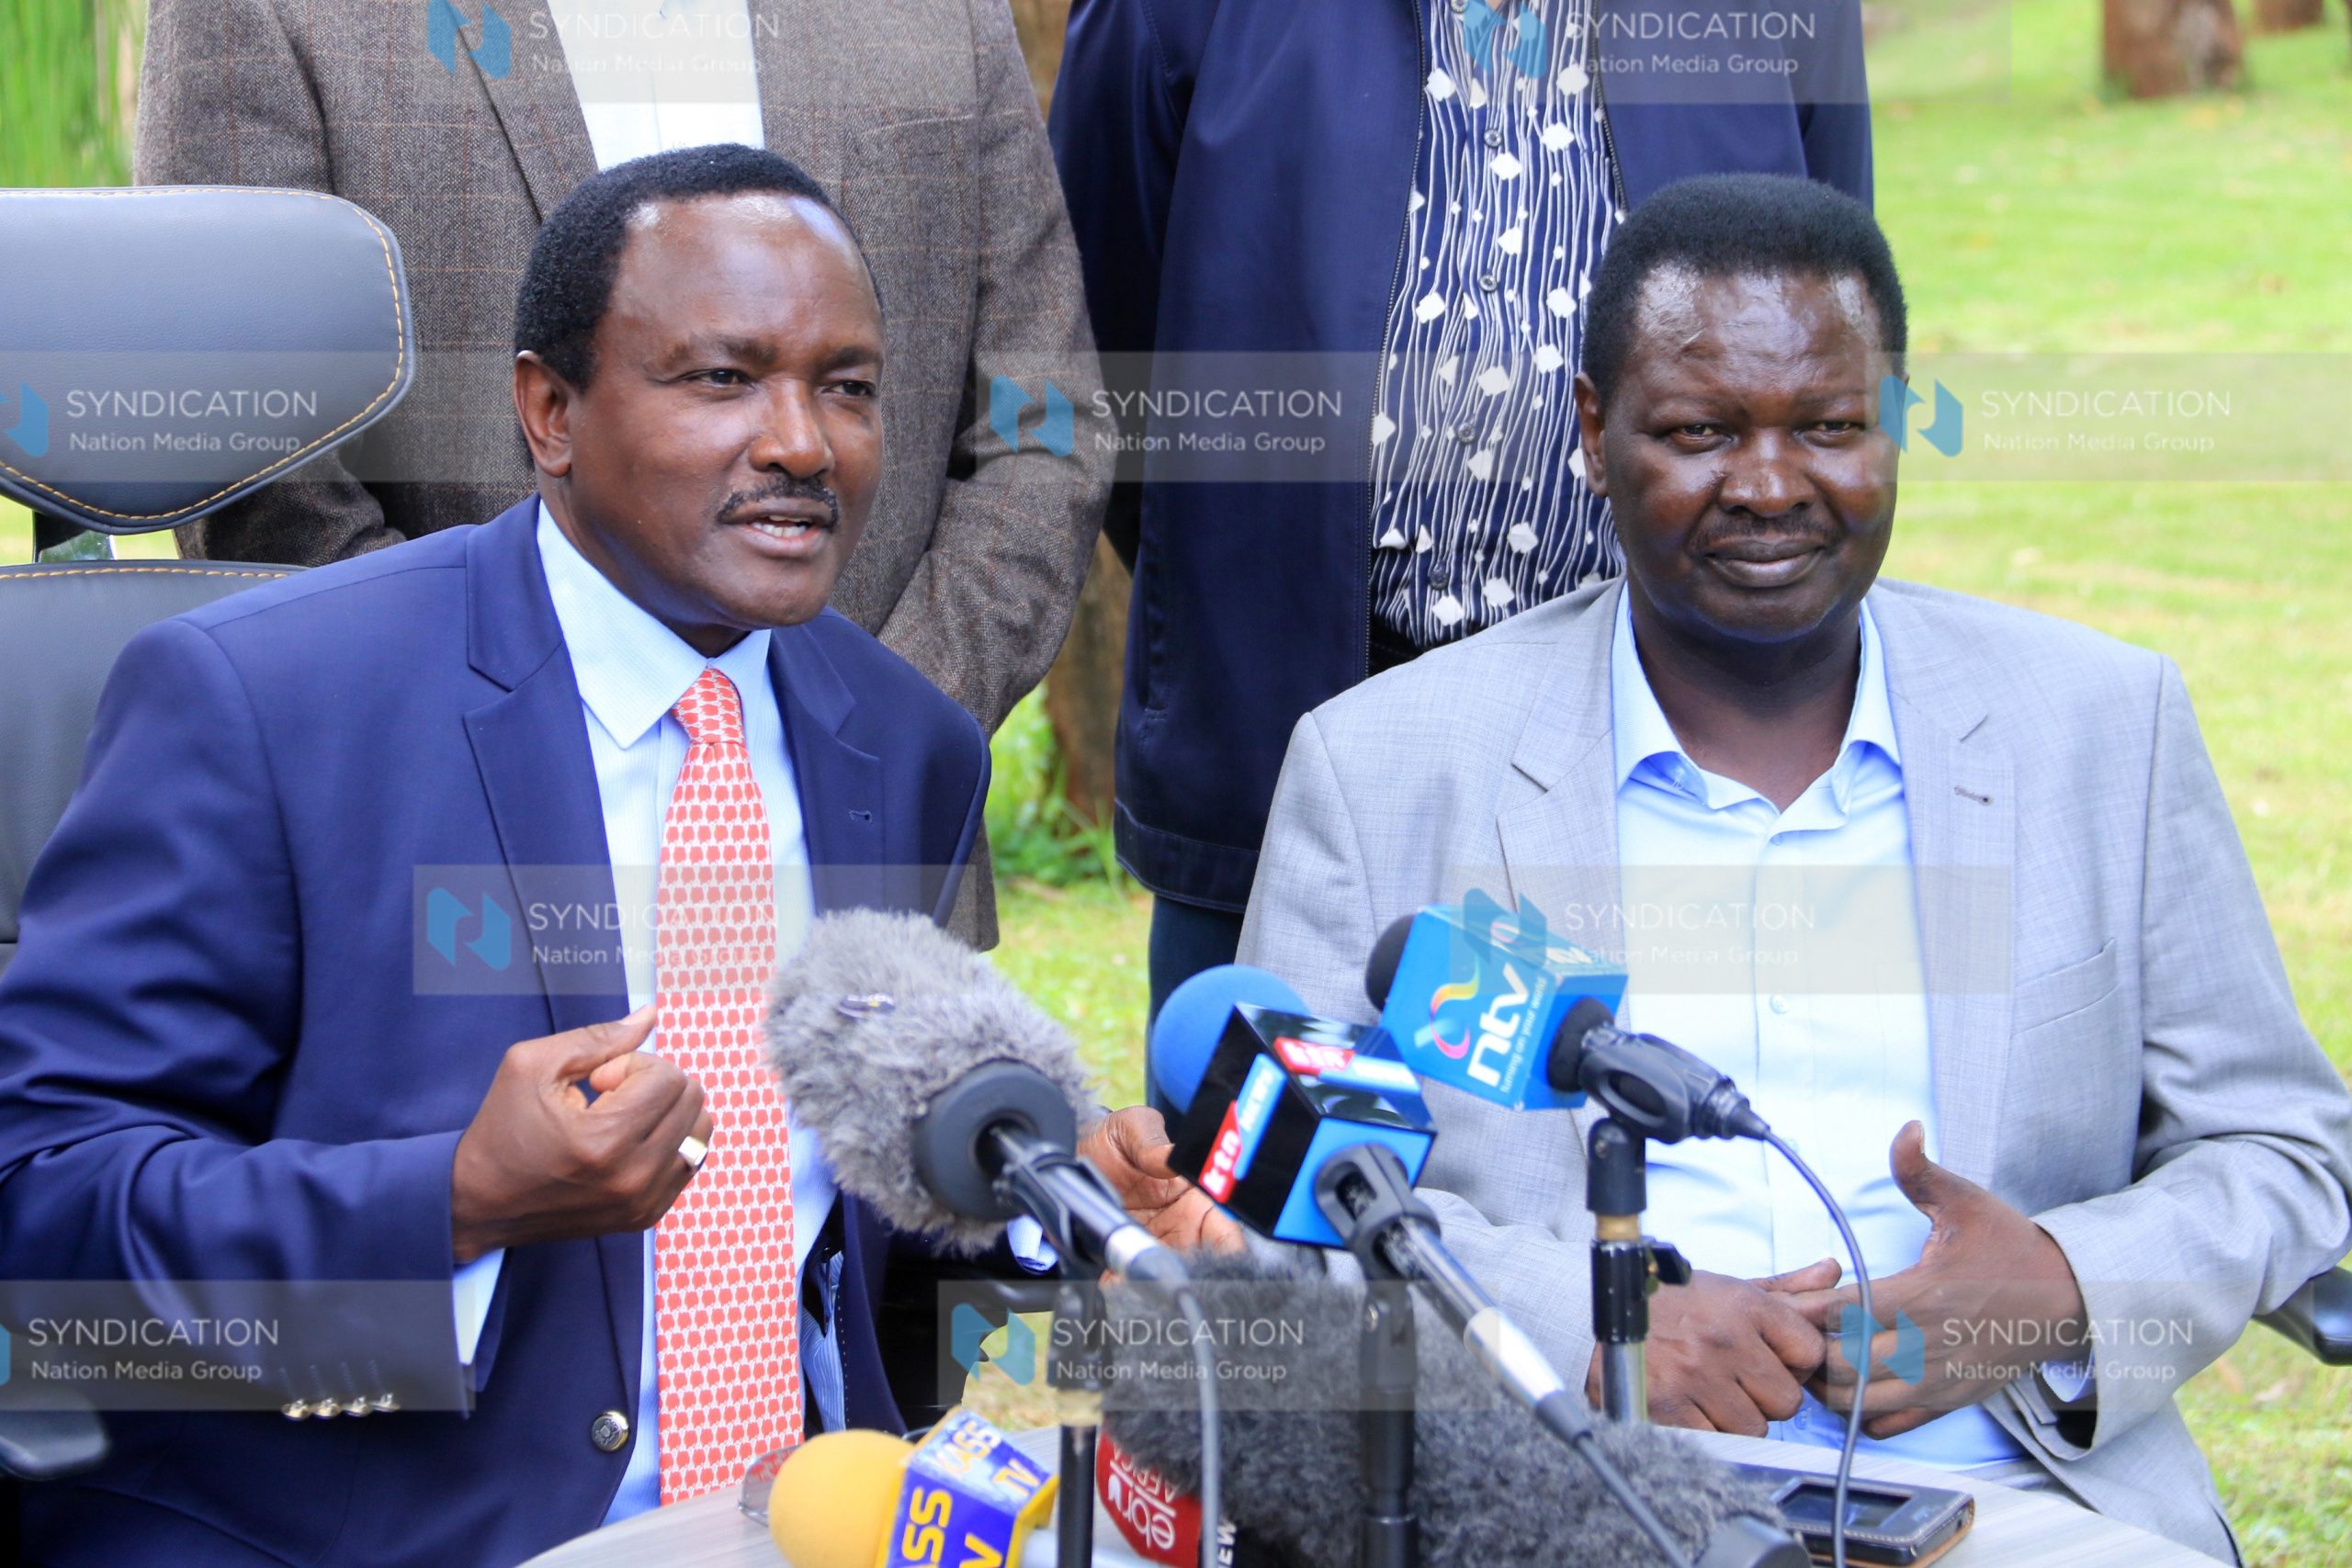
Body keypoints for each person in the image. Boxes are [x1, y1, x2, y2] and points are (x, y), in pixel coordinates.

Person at [1089, 174, 2352, 1560]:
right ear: (1593, 432)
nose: (1768, 486)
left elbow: (2281, 1147)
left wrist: (2054, 1288)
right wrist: (1594, 1327)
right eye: (1700, 431)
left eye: (1829, 427)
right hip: (1556, 1496)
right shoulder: (1382, 766)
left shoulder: (2102, 726)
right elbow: (1283, 1202)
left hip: (2021, 1502)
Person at [0, 147, 1014, 1568]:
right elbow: (44, 1213)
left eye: (847, 386)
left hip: (808, 1521)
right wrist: (455, 1197)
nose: (802, 441)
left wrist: (1052, 1209)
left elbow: (860, 1244)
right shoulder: (264, 702)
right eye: (724, 378)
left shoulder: (905, 743)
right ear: (550, 412)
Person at [134, 0, 1114, 943]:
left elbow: (1046, 424)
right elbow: (247, 422)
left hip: (866, 880)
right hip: (446, 875)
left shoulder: (948, 14)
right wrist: (464, 747)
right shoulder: (272, 12)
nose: (797, 442)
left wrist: (863, 734)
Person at [1048, 0, 1873, 1032]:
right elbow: (1105, 356)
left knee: (1635, 1119)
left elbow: (1828, 328)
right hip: (1289, 721)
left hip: (1656, 739)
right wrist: (1237, 570)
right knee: (1280, 1132)